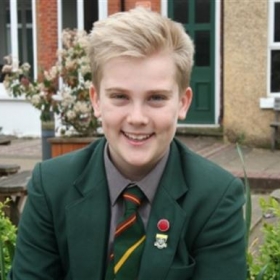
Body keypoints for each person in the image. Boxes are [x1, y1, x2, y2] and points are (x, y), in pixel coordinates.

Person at [9, 7, 246, 280]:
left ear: (183, 102)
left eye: (156, 98)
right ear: (97, 100)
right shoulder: (51, 187)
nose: (137, 118)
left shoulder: (215, 197)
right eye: (120, 96)